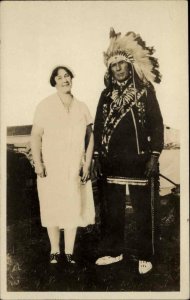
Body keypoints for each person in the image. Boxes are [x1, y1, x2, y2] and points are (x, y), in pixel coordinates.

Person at [93, 29, 164, 274]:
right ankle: (114, 251)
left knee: (143, 210)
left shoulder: (145, 92)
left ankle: (146, 255)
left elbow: (156, 124)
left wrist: (154, 155)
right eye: (114, 66)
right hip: (111, 162)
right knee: (112, 210)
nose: (119, 69)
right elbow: (99, 126)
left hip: (139, 160)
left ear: (130, 65)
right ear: (109, 70)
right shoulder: (105, 95)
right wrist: (96, 158)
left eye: (122, 64)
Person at [31, 66, 95, 264]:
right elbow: (35, 135)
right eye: (59, 77)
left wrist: (88, 164)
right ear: (54, 82)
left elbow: (90, 136)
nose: (64, 80)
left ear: (72, 78)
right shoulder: (45, 105)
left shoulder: (82, 106)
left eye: (66, 75)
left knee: (73, 205)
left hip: (75, 165)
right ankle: (54, 250)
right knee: (52, 205)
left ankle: (69, 252)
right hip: (52, 166)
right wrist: (38, 163)